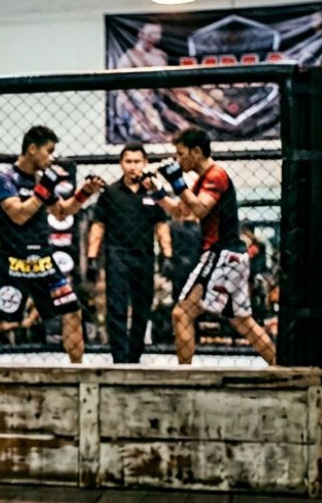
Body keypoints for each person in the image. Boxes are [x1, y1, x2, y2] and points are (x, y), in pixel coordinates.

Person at [0, 126, 104, 364]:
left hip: (43, 261)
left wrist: (85, 193)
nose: (51, 157)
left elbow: (62, 212)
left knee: (72, 310)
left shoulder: (41, 181)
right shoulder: (4, 179)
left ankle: (78, 373)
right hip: (13, 262)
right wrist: (44, 189)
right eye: (48, 151)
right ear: (32, 149)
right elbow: (18, 215)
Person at [150, 127, 276, 365]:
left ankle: (185, 379)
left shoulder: (215, 175)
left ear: (196, 152)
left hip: (222, 253)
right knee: (243, 322)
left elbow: (199, 209)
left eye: (181, 154)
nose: (178, 160)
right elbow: (181, 212)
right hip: (231, 256)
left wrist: (177, 181)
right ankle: (281, 366)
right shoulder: (201, 180)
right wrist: (157, 192)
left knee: (181, 314)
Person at [86, 143, 173, 364]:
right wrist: (91, 258)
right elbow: (98, 226)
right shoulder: (110, 193)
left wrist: (167, 255)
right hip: (117, 255)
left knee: (143, 308)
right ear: (121, 164)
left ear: (145, 164)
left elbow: (161, 225)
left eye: (137, 162)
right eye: (128, 161)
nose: (132, 166)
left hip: (144, 256)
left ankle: (134, 356)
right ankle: (119, 358)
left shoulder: (154, 193)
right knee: (117, 308)